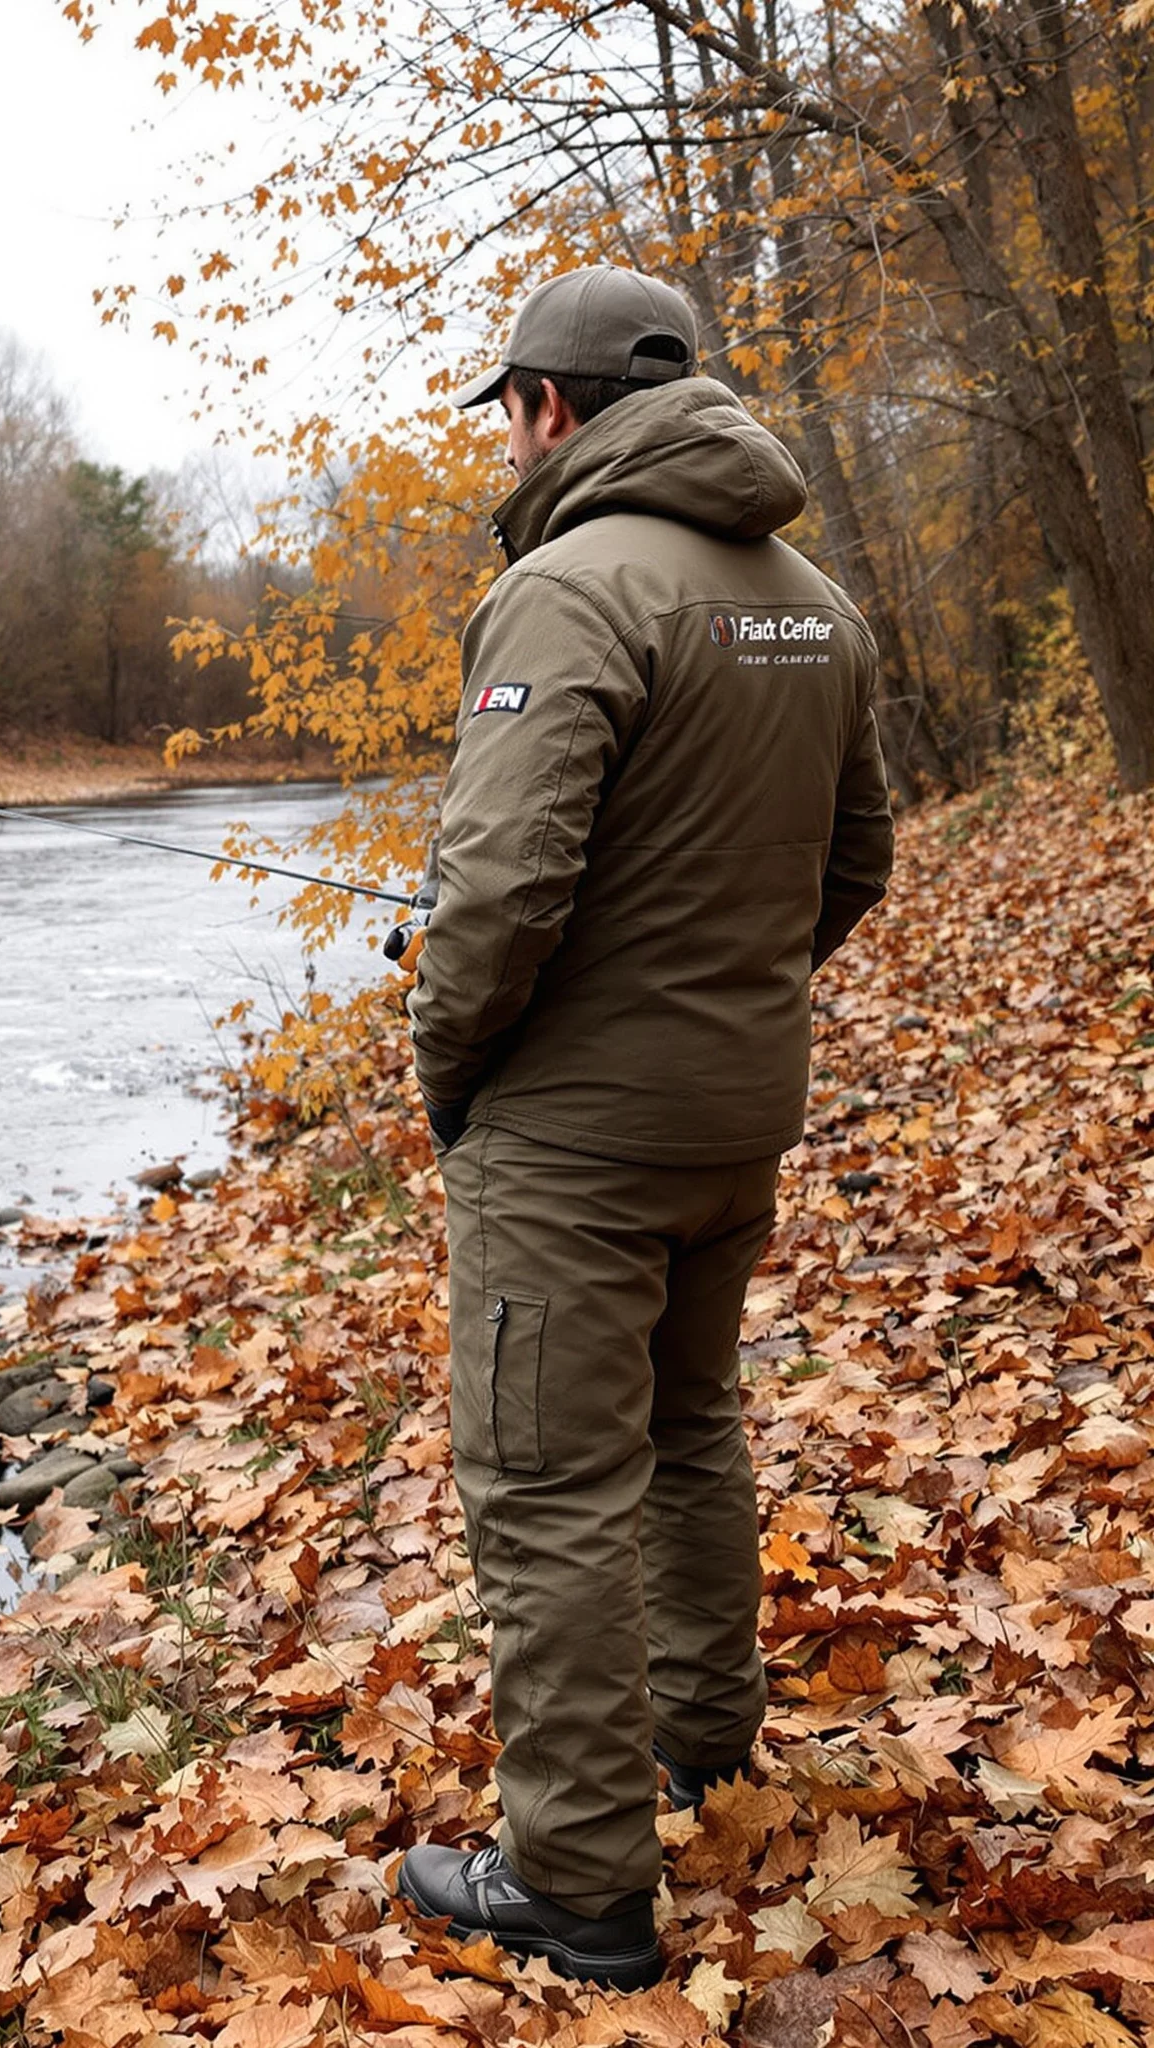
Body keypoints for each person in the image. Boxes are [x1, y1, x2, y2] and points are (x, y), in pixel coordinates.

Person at [394, 266, 893, 1989]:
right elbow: (855, 868)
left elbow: (500, 896)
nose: (509, 438)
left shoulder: (566, 587)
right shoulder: (816, 603)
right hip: (733, 1118)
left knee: (545, 1486)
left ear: (548, 406)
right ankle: (708, 1745)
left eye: (509, 410)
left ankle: (581, 1885)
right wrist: (719, 989)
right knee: (689, 1426)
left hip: (576, 1142)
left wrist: (450, 1067)